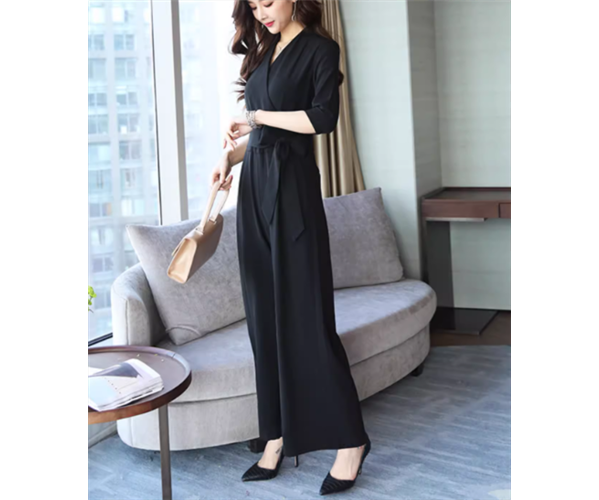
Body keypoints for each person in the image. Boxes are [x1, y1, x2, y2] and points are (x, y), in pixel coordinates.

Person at [210, 1, 371, 495]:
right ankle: (276, 435)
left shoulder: (321, 49)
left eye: (268, 2)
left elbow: (323, 118)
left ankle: (351, 441)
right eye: (253, 5)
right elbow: (262, 134)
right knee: (263, 320)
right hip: (254, 191)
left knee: (308, 319)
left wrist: (256, 116)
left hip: (293, 191)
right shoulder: (263, 51)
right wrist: (229, 158)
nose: (261, 12)